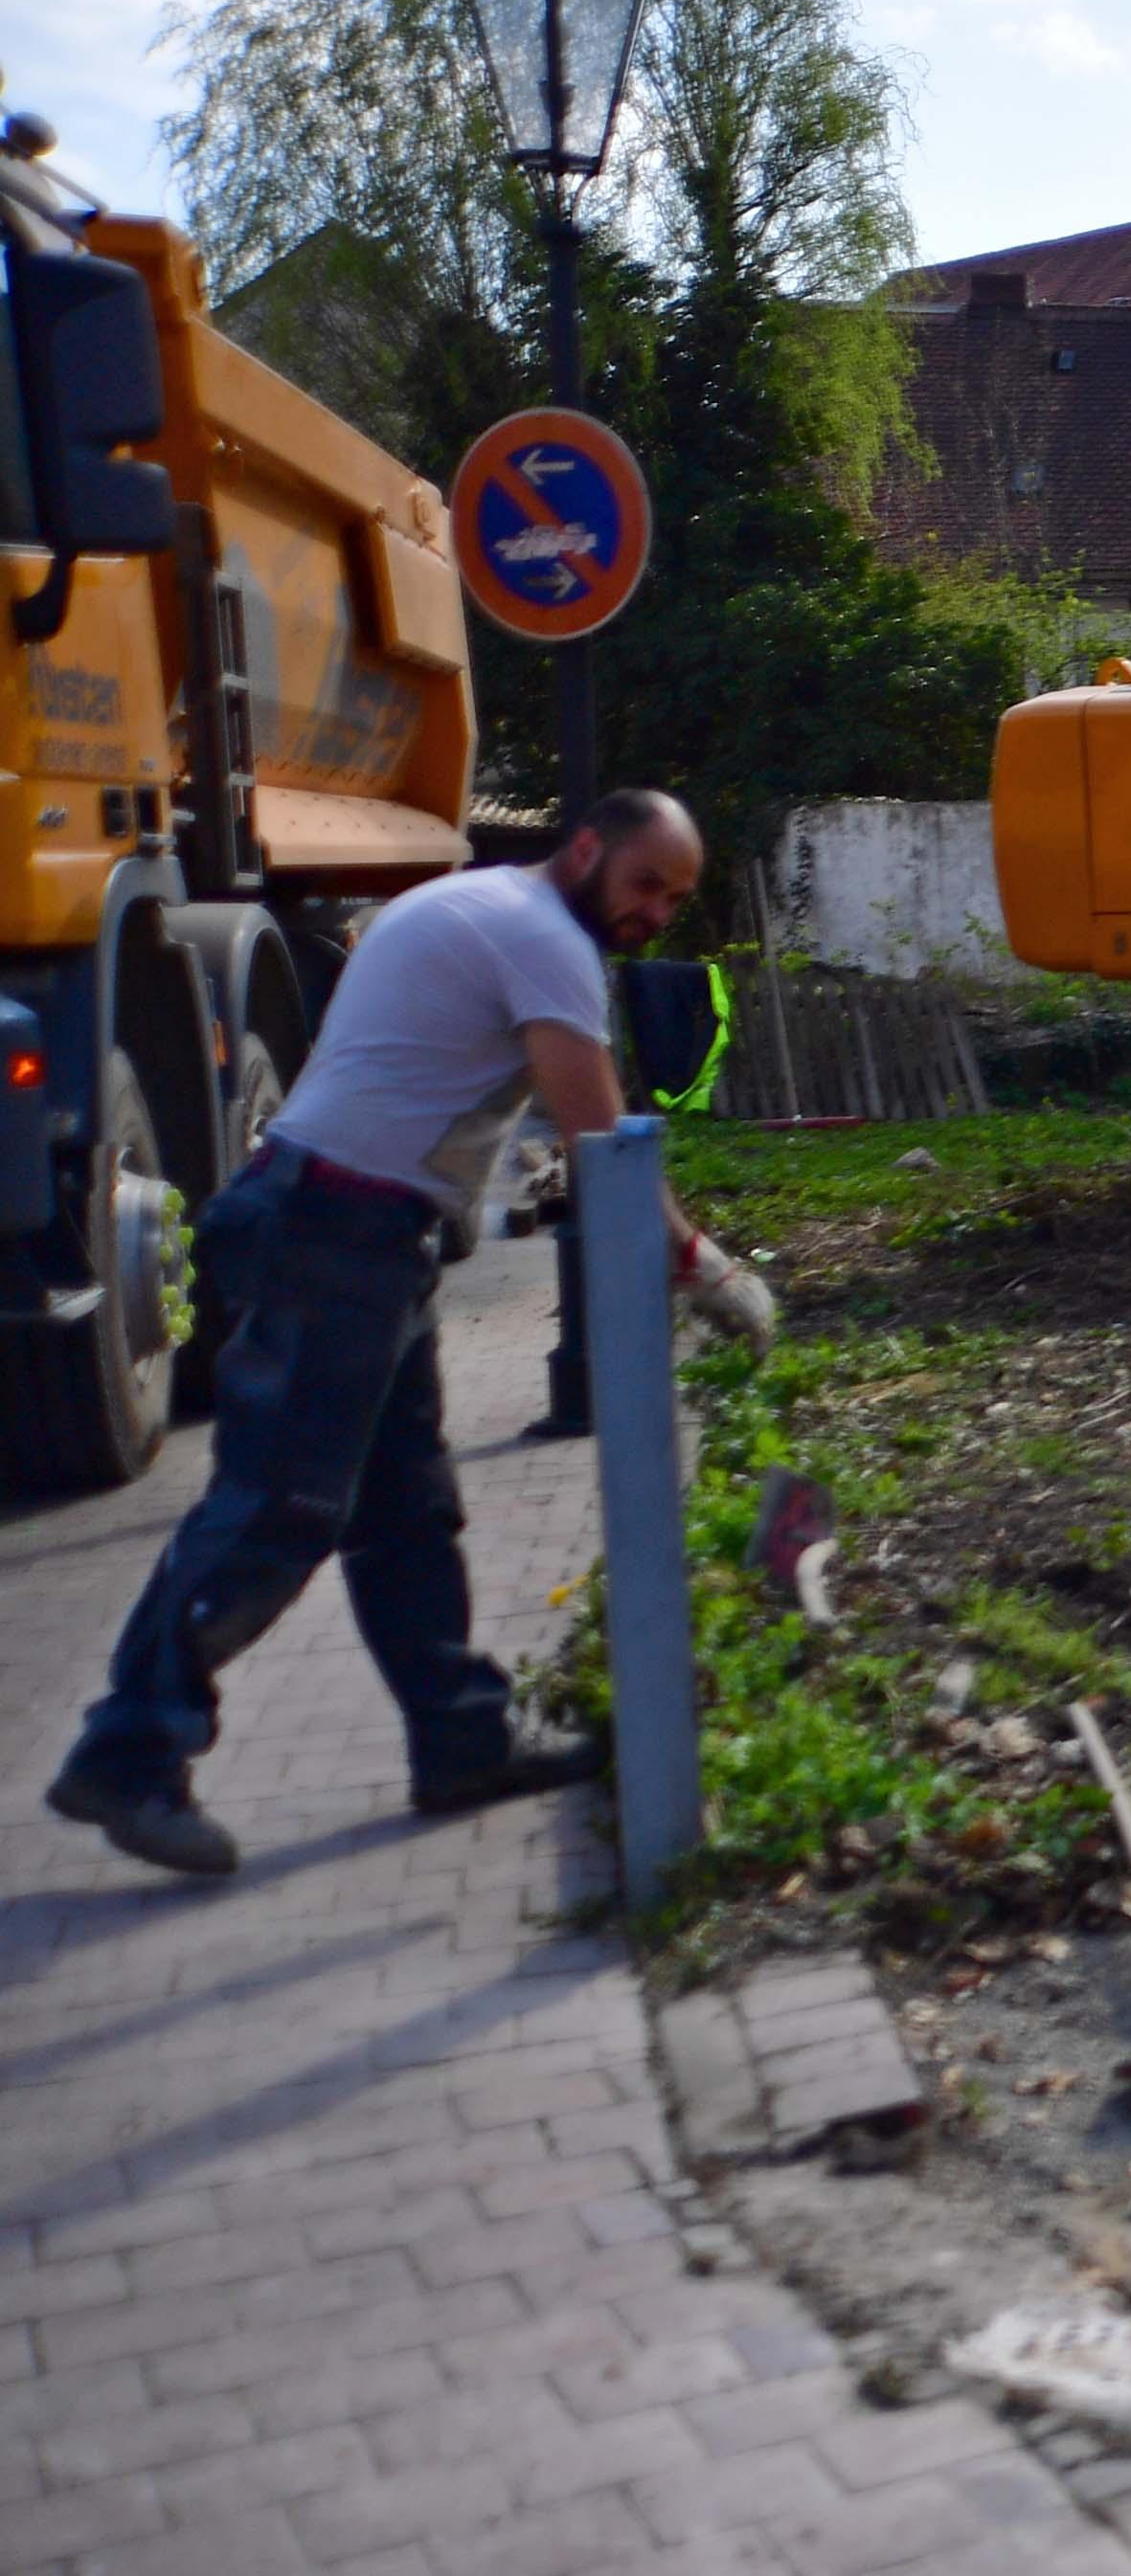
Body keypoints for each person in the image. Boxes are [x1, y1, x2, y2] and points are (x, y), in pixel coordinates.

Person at [47, 791, 781, 1877]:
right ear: (586, 849)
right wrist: (698, 1264)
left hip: (348, 1221)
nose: (655, 912)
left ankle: (461, 1740)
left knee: (404, 1507)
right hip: (335, 1228)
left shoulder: (473, 899)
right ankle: (129, 1753)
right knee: (277, 1509)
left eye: (674, 897)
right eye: (643, 884)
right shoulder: (546, 943)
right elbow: (604, 1147)